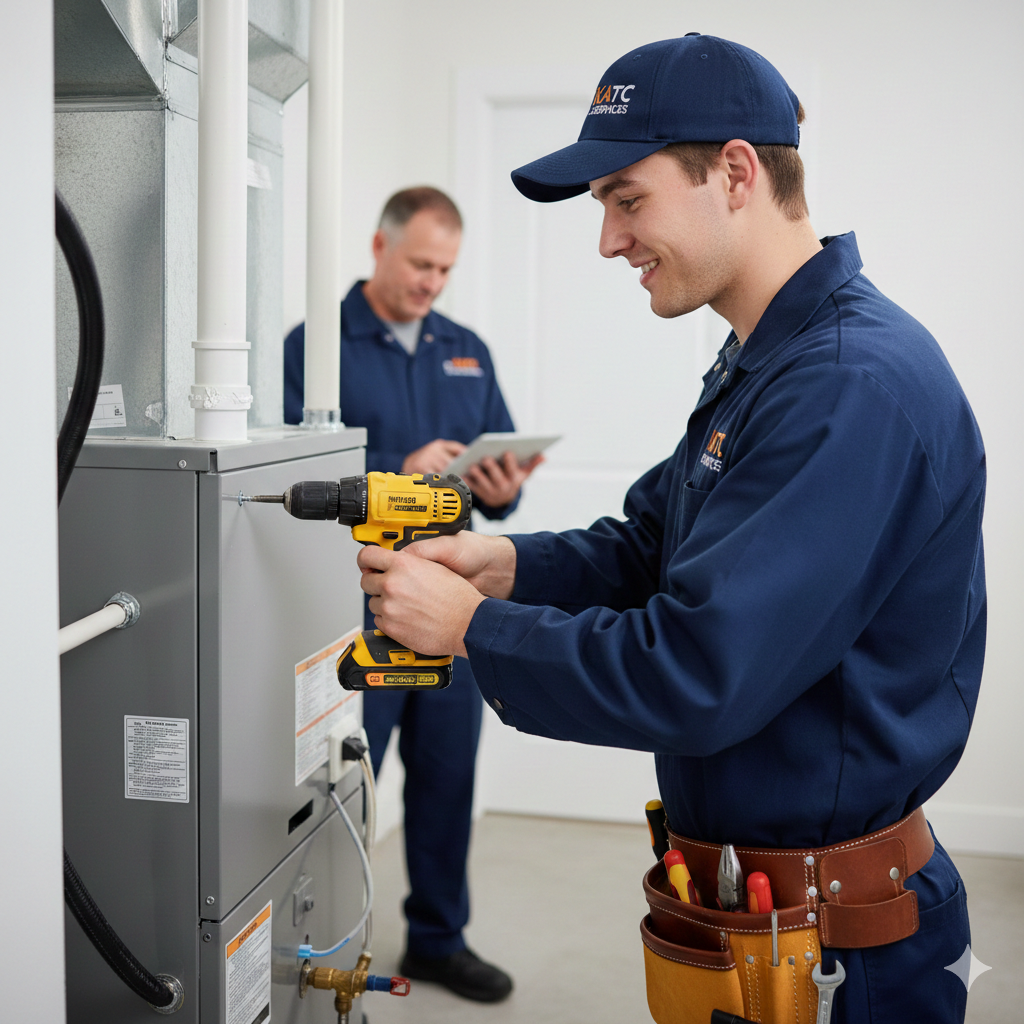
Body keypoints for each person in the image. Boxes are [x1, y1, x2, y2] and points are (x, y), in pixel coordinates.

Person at [353, 35, 986, 1024]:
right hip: (748, 914)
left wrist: (472, 628)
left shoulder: (847, 386)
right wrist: (506, 562)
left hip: (839, 955)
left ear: (734, 172)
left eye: (626, 199)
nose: (608, 240)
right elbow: (649, 546)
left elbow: (698, 667)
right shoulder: (762, 364)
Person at [285, 187, 540, 1003]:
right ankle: (324, 940)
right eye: (422, 264)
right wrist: (401, 462)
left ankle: (438, 938)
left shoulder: (465, 347)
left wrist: (501, 484)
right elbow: (293, 481)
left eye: (446, 269)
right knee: (346, 776)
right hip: (361, 607)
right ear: (379, 247)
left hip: (453, 606)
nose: (434, 281)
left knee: (446, 773)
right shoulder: (315, 345)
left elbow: (491, 493)